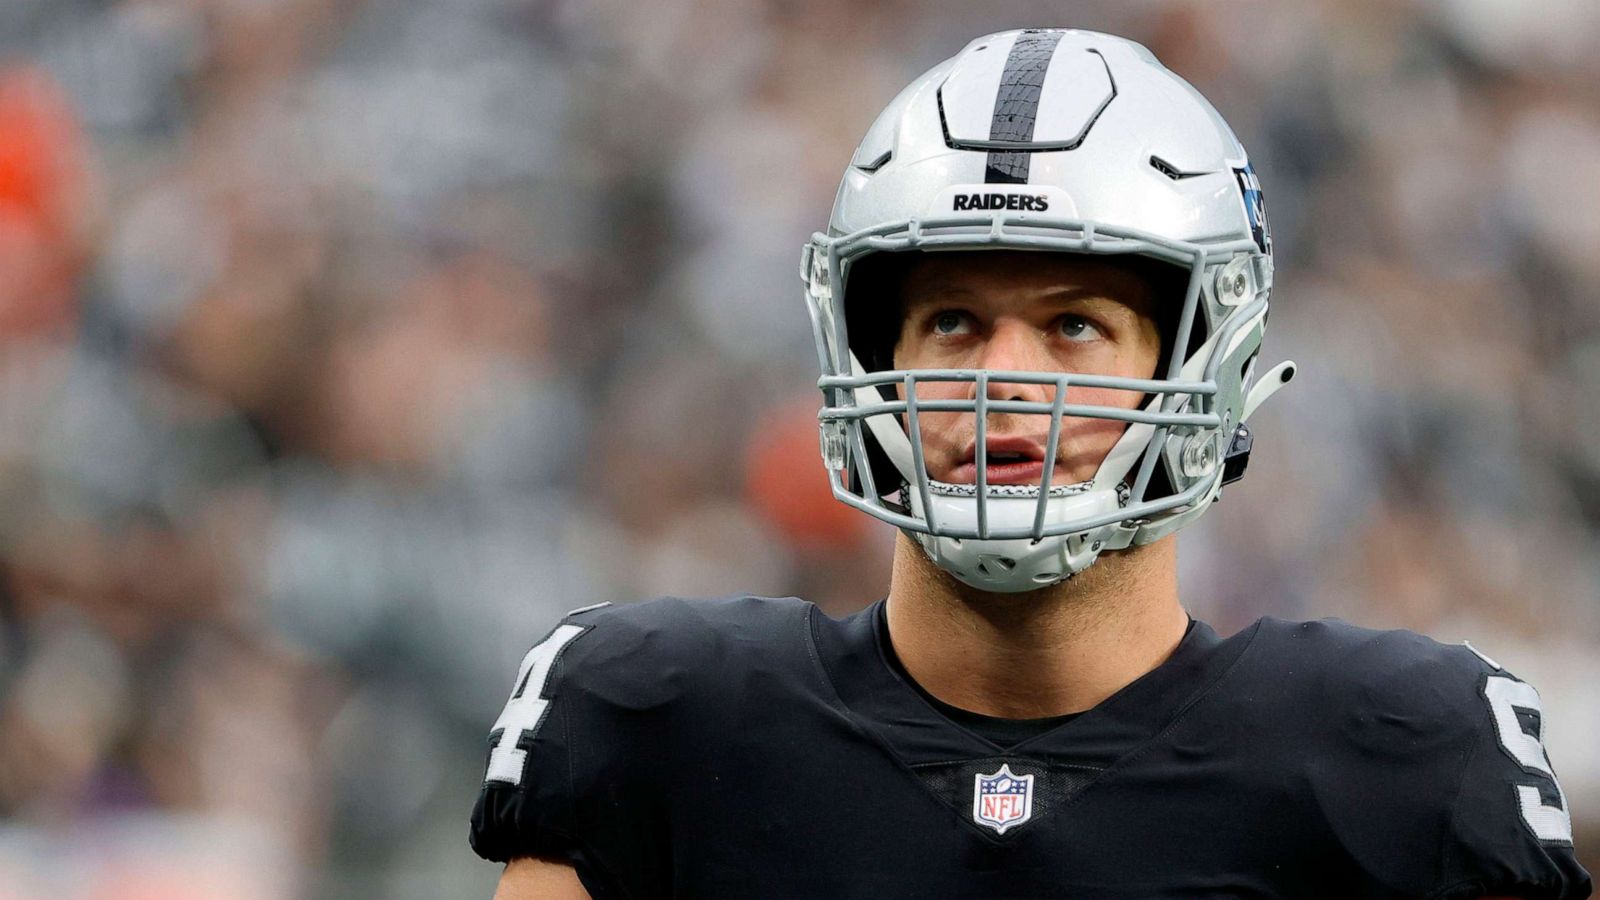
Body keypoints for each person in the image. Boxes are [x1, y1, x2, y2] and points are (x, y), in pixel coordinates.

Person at [471, 28, 1592, 899]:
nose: (1002, 376)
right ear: (871, 356)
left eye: (1075, 325)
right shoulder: (653, 716)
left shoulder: (1404, 750)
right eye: (952, 320)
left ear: (1206, 360)